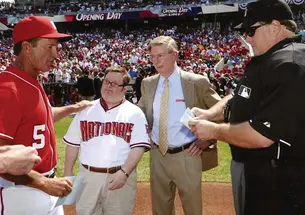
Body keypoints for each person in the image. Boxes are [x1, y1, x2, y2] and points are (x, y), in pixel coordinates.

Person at [189, 0, 305, 214]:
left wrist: (213, 131)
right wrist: (210, 114)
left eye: (251, 30)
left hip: (279, 182)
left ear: (275, 27)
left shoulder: (289, 63)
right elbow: (238, 96)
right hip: (258, 171)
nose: (247, 38)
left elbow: (263, 135)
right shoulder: (270, 59)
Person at [0, 16, 92, 215]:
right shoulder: (8, 89)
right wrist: (42, 182)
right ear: (27, 48)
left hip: (46, 185)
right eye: (48, 47)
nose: (55, 54)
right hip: (19, 191)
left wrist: (73, 108)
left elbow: (39, 118)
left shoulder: (31, 79)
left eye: (56, 47)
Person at [137, 36, 221, 215]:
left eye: (160, 55)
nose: (156, 61)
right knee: (160, 210)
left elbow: (221, 111)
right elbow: (140, 114)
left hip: (188, 154)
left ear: (174, 55)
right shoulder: (148, 83)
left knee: (192, 209)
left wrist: (208, 140)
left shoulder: (196, 82)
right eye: (152, 56)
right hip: (158, 154)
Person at [63, 66, 150, 215]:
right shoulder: (85, 109)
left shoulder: (135, 113)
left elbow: (138, 147)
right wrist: (67, 173)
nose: (108, 86)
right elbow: (72, 143)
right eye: (106, 82)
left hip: (119, 176)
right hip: (87, 176)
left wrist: (124, 172)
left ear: (124, 89)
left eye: (114, 84)